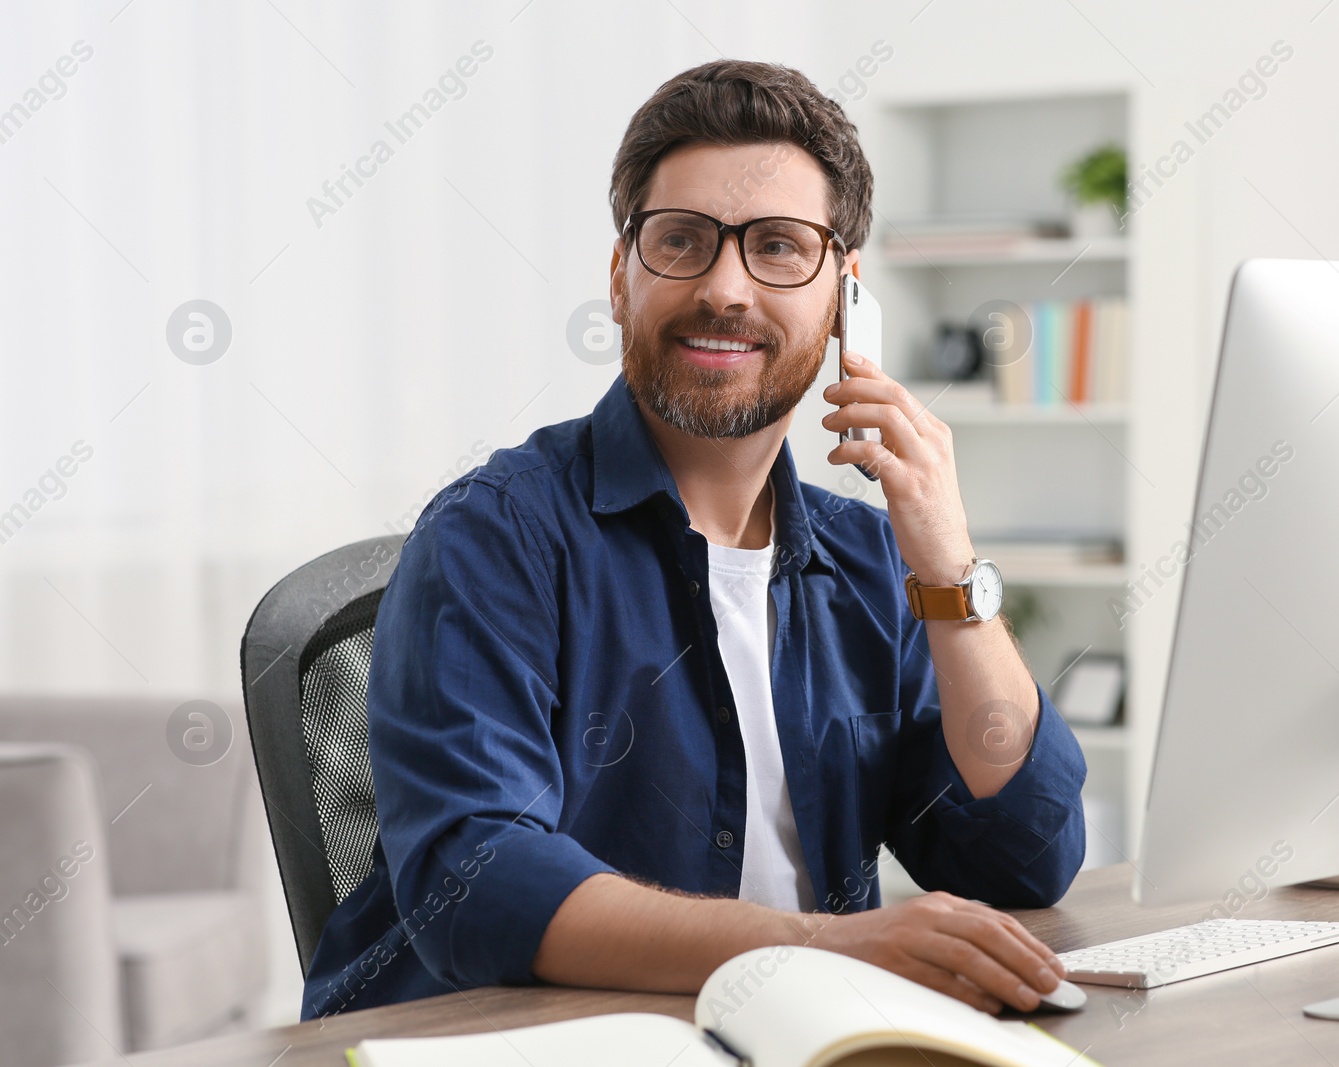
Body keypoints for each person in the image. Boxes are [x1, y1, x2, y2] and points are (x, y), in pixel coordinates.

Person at [302, 58, 1087, 1021]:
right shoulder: (493, 535)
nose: (724, 287)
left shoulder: (877, 563)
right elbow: (479, 880)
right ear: (621, 277)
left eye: (777, 247)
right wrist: (827, 945)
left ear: (845, 298)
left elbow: (1025, 858)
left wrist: (950, 569)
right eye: (681, 241)